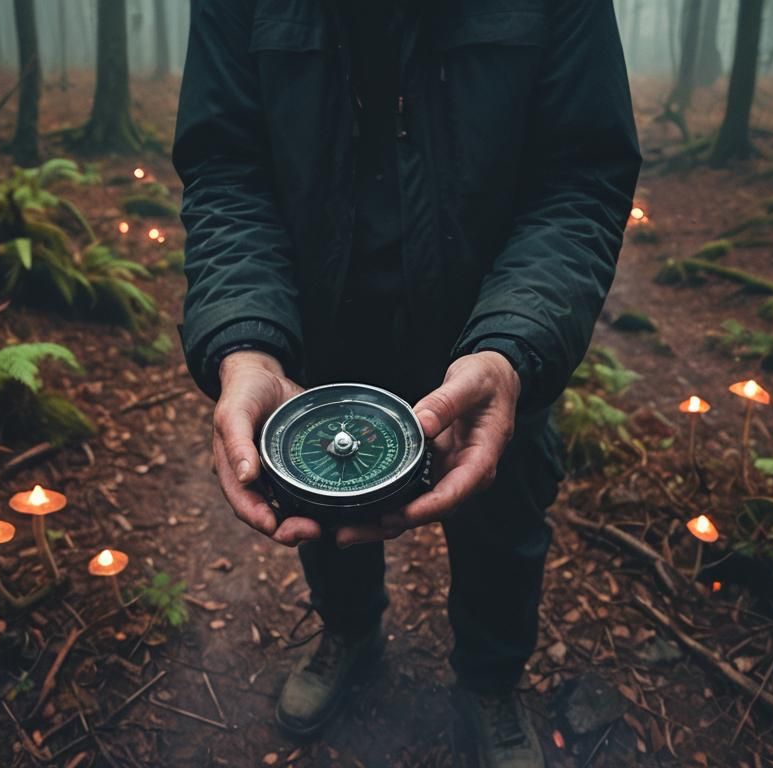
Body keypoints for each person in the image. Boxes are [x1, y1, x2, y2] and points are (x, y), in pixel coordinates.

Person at [174, 1, 639, 765]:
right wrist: (247, 342)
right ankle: (349, 630)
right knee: (321, 501)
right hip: (321, 318)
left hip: (487, 313)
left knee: (504, 514)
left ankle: (490, 680)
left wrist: (512, 345)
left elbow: (582, 172)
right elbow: (226, 165)